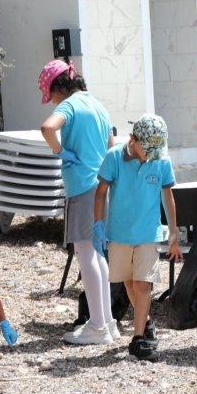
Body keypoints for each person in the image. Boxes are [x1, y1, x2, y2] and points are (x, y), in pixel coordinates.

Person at [38, 59, 117, 345]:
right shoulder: (98, 106)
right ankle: (107, 321)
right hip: (101, 187)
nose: (53, 103)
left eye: (52, 96)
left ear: (60, 87)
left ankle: (97, 326)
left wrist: (61, 151)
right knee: (98, 254)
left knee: (85, 254)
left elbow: (47, 128)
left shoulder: (69, 105)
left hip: (82, 186)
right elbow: (111, 147)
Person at [94, 114, 182, 361]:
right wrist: (97, 224)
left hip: (148, 233)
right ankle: (147, 321)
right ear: (133, 139)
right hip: (119, 234)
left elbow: (168, 197)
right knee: (130, 283)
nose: (151, 154)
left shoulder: (161, 160)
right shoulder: (114, 157)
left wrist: (173, 231)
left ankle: (139, 338)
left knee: (144, 284)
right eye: (147, 149)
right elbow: (100, 193)